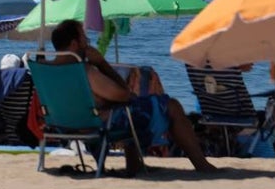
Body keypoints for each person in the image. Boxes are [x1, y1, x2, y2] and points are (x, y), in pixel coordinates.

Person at [49, 19, 216, 174]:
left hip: (63, 124)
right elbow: (123, 94)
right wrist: (101, 63)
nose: (88, 43)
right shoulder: (85, 71)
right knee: (170, 106)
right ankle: (201, 164)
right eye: (85, 39)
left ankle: (134, 163)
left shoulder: (45, 71)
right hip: (97, 124)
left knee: (129, 110)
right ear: (74, 44)